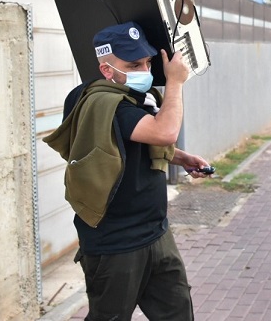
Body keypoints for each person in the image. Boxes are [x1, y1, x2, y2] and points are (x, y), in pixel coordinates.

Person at [43, 21, 212, 320]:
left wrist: (181, 158)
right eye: (134, 64)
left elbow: (139, 141)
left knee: (178, 314)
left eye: (147, 62)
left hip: (156, 233)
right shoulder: (104, 103)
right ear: (107, 70)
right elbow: (164, 133)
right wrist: (175, 82)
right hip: (116, 245)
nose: (145, 71)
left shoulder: (133, 100)